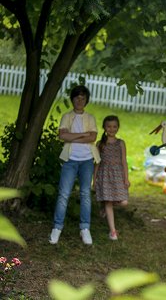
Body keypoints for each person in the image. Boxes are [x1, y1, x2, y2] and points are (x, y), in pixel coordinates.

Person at [49, 85, 101, 245]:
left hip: (86, 160)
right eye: (77, 97)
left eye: (83, 98)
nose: (80, 100)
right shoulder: (66, 116)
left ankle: (85, 228)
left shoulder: (90, 118)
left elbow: (92, 137)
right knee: (64, 194)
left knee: (85, 194)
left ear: (86, 100)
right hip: (70, 160)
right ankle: (57, 228)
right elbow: (62, 136)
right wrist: (82, 135)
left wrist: (72, 136)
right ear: (72, 99)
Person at [94, 115, 130, 241]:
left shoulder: (121, 143)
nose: (111, 129)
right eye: (109, 126)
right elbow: (97, 163)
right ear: (104, 127)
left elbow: (124, 161)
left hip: (118, 175)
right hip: (104, 176)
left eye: (114, 126)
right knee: (109, 200)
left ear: (118, 128)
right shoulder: (100, 144)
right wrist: (94, 178)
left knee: (124, 202)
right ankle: (113, 231)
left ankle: (105, 204)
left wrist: (126, 178)